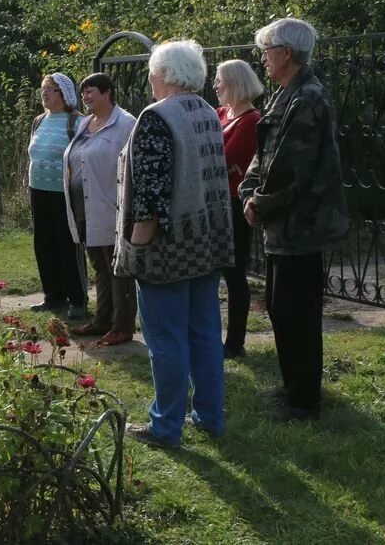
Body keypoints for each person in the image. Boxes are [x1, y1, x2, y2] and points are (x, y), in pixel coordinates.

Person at [116, 40, 234, 449]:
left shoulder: (156, 117)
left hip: (167, 248)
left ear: (165, 73)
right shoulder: (205, 111)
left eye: (152, 70)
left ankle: (165, 427)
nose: (150, 77)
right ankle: (209, 417)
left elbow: (149, 193)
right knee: (203, 333)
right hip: (207, 240)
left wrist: (136, 250)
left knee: (166, 339)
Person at [239, 18, 349, 421]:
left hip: (302, 225)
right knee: (280, 307)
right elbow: (262, 156)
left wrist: (258, 204)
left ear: (286, 53)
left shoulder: (308, 99)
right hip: (281, 226)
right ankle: (293, 389)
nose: (263, 59)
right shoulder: (285, 95)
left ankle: (304, 400)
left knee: (297, 312)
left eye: (267, 51)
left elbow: (291, 172)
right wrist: (249, 193)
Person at [63, 73, 137, 346]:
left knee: (118, 269)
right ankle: (102, 320)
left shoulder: (126, 124)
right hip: (85, 207)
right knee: (100, 266)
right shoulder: (85, 123)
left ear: (107, 93)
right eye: (83, 93)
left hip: (111, 206)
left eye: (91, 91)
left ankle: (122, 326)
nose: (86, 97)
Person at [213, 59, 265, 359]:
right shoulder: (221, 113)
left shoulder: (250, 121)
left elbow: (225, 160)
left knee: (234, 273)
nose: (216, 85)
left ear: (234, 82)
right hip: (216, 202)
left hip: (234, 203)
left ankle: (235, 342)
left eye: (220, 80)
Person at [27, 73, 89, 319]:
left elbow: (83, 156)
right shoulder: (39, 120)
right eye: (43, 89)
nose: (45, 93)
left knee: (67, 244)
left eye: (50, 89)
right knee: (43, 243)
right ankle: (53, 296)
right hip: (38, 190)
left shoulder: (76, 121)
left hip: (64, 194)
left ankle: (77, 299)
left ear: (64, 94)